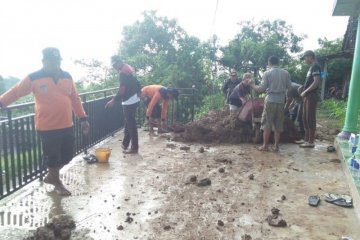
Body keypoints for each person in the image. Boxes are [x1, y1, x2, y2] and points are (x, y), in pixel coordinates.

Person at [0, 47, 90, 196]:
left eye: (57, 61)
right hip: (47, 127)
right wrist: (1, 103)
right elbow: (16, 92)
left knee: (68, 155)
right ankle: (57, 183)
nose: (55, 64)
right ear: (44, 61)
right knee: (53, 157)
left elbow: (75, 98)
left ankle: (51, 176)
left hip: (67, 124)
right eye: (52, 61)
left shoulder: (67, 76)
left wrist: (83, 118)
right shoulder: (34, 77)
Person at [252, 56, 291, 152]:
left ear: (269, 63)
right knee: (278, 124)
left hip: (270, 100)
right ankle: (276, 146)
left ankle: (265, 146)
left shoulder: (267, 73)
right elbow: (289, 87)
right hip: (281, 101)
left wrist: (252, 84)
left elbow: (261, 88)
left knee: (267, 123)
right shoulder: (286, 73)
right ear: (278, 62)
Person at [105, 55, 141, 154]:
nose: (114, 67)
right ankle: (125, 143)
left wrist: (113, 100)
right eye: (113, 65)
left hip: (129, 100)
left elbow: (122, 90)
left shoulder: (122, 73)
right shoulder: (129, 68)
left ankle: (134, 147)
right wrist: (139, 92)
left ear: (120, 61)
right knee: (128, 121)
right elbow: (137, 82)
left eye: (115, 64)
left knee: (131, 124)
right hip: (135, 99)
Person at [298, 50, 322, 148]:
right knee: (305, 117)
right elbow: (310, 81)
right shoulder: (311, 67)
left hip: (311, 95)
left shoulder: (316, 66)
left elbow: (316, 82)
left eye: (305, 57)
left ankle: (311, 142)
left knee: (310, 118)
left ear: (310, 56)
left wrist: (305, 91)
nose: (304, 60)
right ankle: (306, 139)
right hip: (307, 95)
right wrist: (303, 87)